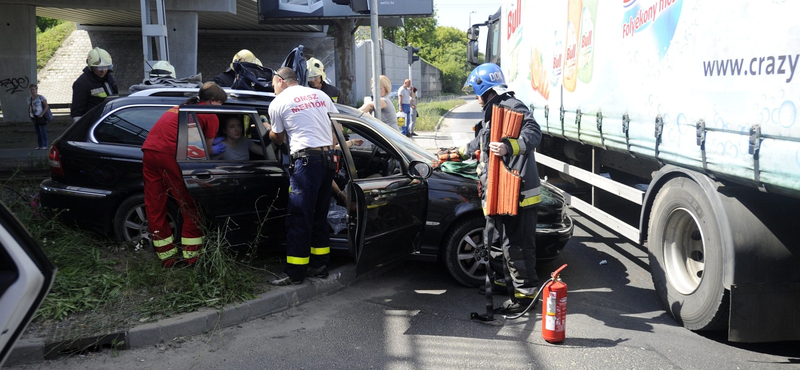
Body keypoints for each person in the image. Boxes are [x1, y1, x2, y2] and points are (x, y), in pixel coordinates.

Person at [457, 63, 543, 314]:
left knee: (517, 246)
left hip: (519, 195)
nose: (475, 97)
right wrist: (455, 153)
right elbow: (480, 142)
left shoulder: (513, 108)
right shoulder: (492, 112)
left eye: (476, 91)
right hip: (501, 196)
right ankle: (502, 283)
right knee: (497, 243)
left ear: (486, 89)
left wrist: (508, 146)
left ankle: (524, 299)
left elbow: (534, 133)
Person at [141, 82, 228, 267]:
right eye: (221, 103)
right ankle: (192, 258)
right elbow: (207, 150)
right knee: (189, 204)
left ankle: (167, 258)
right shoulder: (210, 115)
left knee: (154, 204)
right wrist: (218, 148)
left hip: (149, 152)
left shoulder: (180, 108)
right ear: (213, 101)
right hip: (170, 155)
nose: (222, 107)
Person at [268, 67, 338, 286]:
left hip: (306, 163)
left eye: (272, 84)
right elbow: (337, 127)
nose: (273, 88)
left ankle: (295, 272)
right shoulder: (321, 95)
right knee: (319, 214)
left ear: (280, 80)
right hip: (328, 159)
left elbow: (278, 139)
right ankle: (319, 265)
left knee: (299, 217)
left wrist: (266, 128)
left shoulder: (278, 102)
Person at [71, 47, 118, 123]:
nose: (103, 71)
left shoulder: (108, 77)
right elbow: (77, 112)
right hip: (93, 123)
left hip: (110, 120)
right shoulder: (82, 83)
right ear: (91, 67)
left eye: (106, 67)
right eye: (99, 68)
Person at [27, 84, 49, 150]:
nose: (32, 91)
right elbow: (29, 108)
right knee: (37, 132)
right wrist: (29, 115)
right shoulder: (29, 99)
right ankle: (39, 145)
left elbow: (46, 106)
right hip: (34, 117)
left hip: (40, 116)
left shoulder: (41, 97)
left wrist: (42, 114)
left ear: (36, 90)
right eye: (31, 90)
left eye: (33, 89)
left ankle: (44, 145)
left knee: (43, 131)